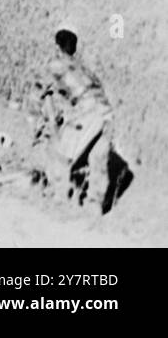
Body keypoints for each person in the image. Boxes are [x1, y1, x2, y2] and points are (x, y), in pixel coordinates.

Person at [29, 21, 118, 213]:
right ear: (74, 46)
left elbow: (38, 93)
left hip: (89, 110)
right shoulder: (83, 68)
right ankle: (94, 205)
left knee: (62, 152)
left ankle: (61, 197)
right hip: (107, 113)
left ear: (57, 44)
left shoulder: (55, 64)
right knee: (98, 159)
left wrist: (35, 125)